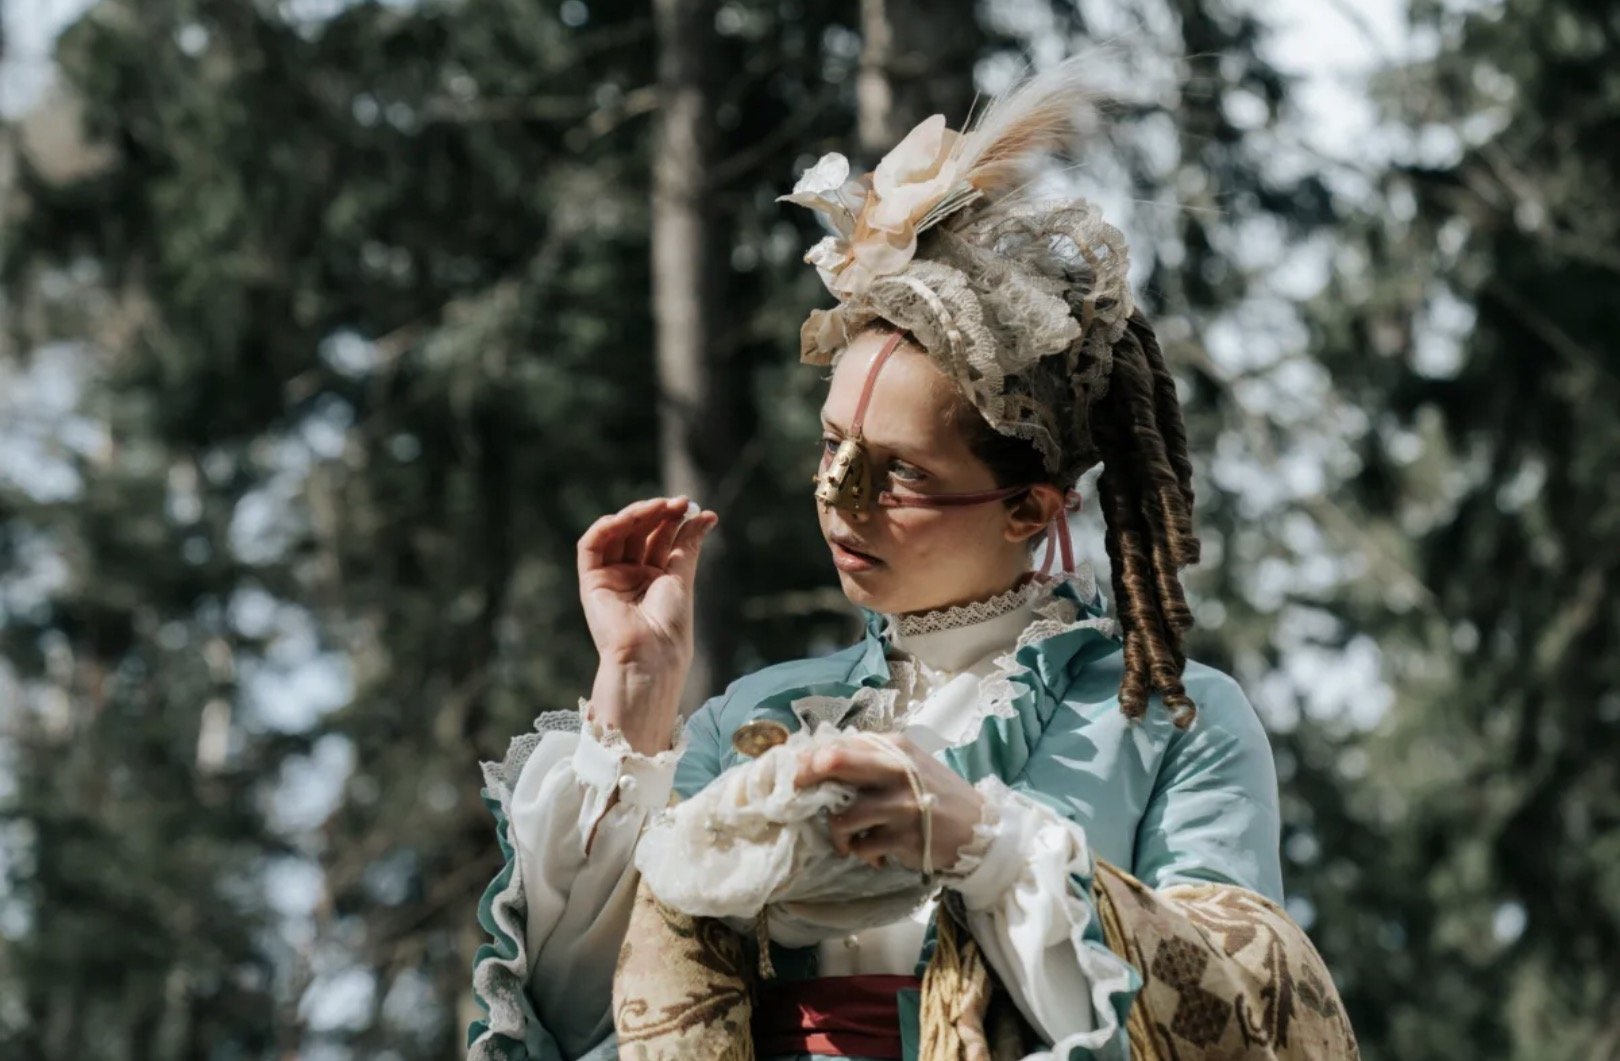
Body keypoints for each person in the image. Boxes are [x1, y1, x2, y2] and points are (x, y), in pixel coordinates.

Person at [469, 60, 1356, 1061]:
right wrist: (636, 690)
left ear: (1029, 508)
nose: (836, 497)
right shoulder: (751, 719)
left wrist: (983, 843)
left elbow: (1242, 1022)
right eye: (830, 445)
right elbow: (589, 1024)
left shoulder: (1171, 720)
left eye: (900, 473)